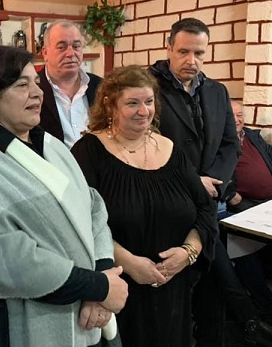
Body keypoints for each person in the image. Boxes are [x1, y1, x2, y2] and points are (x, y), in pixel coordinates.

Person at [0, 46, 128, 347]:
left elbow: (93, 208)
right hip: (20, 319)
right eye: (22, 85)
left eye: (36, 82)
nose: (37, 92)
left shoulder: (51, 146)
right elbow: (9, 257)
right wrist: (98, 286)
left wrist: (101, 272)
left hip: (87, 308)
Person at [149, 17, 272, 347]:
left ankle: (233, 328)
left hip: (211, 198)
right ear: (169, 48)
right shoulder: (149, 87)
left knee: (211, 282)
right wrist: (194, 182)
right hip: (168, 198)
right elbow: (146, 144)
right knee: (185, 280)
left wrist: (218, 185)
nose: (191, 60)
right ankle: (252, 321)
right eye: (183, 51)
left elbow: (229, 145)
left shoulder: (217, 91)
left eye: (199, 53)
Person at [71, 65, 217, 347]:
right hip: (119, 288)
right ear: (110, 105)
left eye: (149, 101)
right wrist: (129, 263)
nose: (144, 111)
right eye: (132, 103)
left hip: (173, 286)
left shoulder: (170, 148)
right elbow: (81, 223)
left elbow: (205, 208)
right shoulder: (88, 151)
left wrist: (188, 253)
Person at [220, 100, 272, 340]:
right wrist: (230, 195)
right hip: (242, 210)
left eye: (240, 115)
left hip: (270, 204)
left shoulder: (252, 136)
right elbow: (211, 173)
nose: (237, 119)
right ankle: (271, 316)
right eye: (232, 115)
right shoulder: (218, 141)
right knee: (245, 254)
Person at [38, 19, 102, 147]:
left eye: (76, 46)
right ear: (45, 52)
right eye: (61, 47)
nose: (70, 53)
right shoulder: (32, 89)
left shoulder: (100, 86)